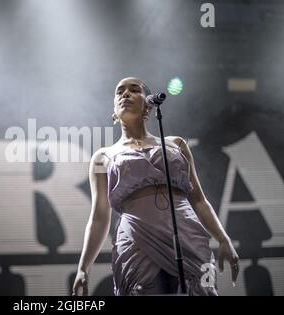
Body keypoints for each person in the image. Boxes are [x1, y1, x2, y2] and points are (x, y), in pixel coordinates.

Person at [72, 77, 239, 296]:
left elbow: (198, 199)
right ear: (114, 107)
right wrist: (83, 268)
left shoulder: (176, 144)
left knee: (201, 290)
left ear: (148, 104)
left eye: (134, 90)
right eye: (119, 91)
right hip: (136, 238)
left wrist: (223, 239)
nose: (125, 94)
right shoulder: (103, 157)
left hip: (186, 232)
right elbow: (99, 217)